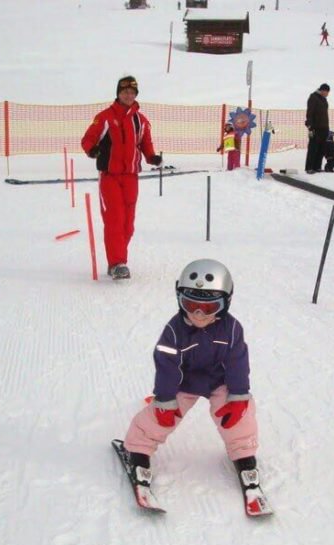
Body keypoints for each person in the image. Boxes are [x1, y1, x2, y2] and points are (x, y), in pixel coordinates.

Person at [121, 259, 261, 489]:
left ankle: (244, 453)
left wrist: (238, 395)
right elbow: (166, 366)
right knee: (161, 416)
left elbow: (238, 362)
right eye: (190, 304)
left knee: (239, 415)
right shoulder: (174, 330)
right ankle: (137, 449)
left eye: (208, 308)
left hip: (219, 380)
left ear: (225, 303)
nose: (198, 314)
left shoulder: (232, 329)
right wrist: (165, 399)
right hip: (183, 381)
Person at [81, 76, 162, 280]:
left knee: (128, 224)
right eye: (124, 92)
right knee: (114, 219)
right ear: (118, 93)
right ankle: (117, 263)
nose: (128, 95)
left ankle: (118, 260)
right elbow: (88, 139)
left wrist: (151, 157)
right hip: (110, 176)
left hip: (131, 177)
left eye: (132, 92)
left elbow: (146, 143)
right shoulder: (106, 117)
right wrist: (92, 150)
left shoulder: (141, 121)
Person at [305, 83, 330, 174]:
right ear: (322, 90)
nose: (327, 94)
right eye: (327, 92)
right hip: (315, 127)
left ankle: (317, 167)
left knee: (321, 148)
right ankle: (309, 167)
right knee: (313, 148)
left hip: (324, 128)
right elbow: (310, 112)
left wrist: (327, 128)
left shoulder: (324, 100)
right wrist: (310, 126)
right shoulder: (313, 97)